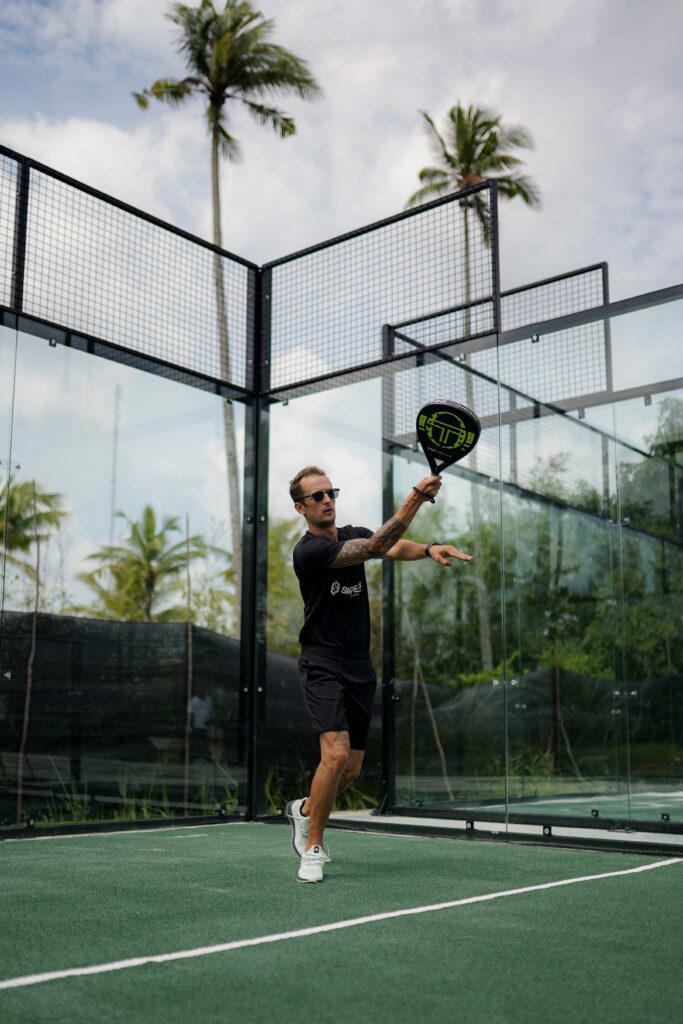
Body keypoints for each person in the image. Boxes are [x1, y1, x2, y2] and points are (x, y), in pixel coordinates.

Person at [285, 465, 473, 883]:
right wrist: (416, 498)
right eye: (316, 496)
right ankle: (312, 847)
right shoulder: (309, 553)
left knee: (349, 770)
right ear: (300, 507)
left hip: (357, 666)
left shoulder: (351, 532)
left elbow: (392, 546)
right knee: (332, 755)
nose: (327, 499)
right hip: (321, 662)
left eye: (330, 491)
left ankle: (302, 810)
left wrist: (427, 549)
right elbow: (374, 547)